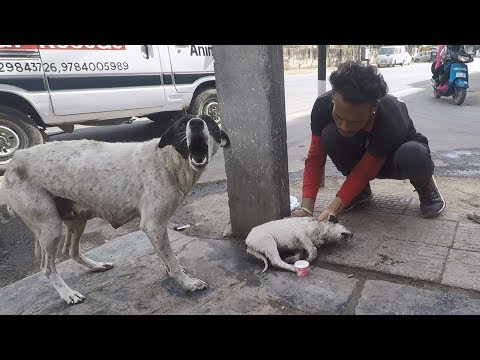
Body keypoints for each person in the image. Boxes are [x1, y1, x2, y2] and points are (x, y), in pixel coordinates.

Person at [291, 61, 446, 221]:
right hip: (364, 151)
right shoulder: (322, 106)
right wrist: (306, 209)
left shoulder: (391, 115)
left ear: (373, 108)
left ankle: (425, 185)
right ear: (333, 100)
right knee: (330, 135)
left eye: (354, 122)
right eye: (339, 117)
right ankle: (361, 192)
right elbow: (315, 158)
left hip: (395, 159)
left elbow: (366, 169)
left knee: (414, 154)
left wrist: (334, 207)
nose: (344, 126)